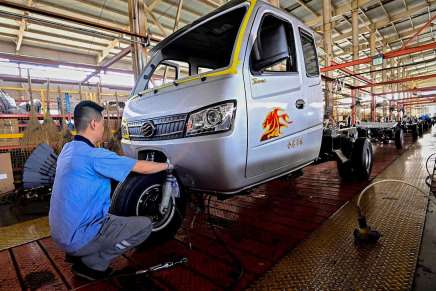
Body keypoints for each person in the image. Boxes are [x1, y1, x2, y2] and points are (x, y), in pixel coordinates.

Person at [49, 100, 170, 281]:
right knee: (144, 226)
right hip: (78, 237)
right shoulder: (96, 155)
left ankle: (78, 252)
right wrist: (168, 165)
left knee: (108, 213)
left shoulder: (68, 149)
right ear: (94, 124)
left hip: (60, 233)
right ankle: (94, 264)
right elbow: (141, 167)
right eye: (103, 124)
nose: (104, 129)